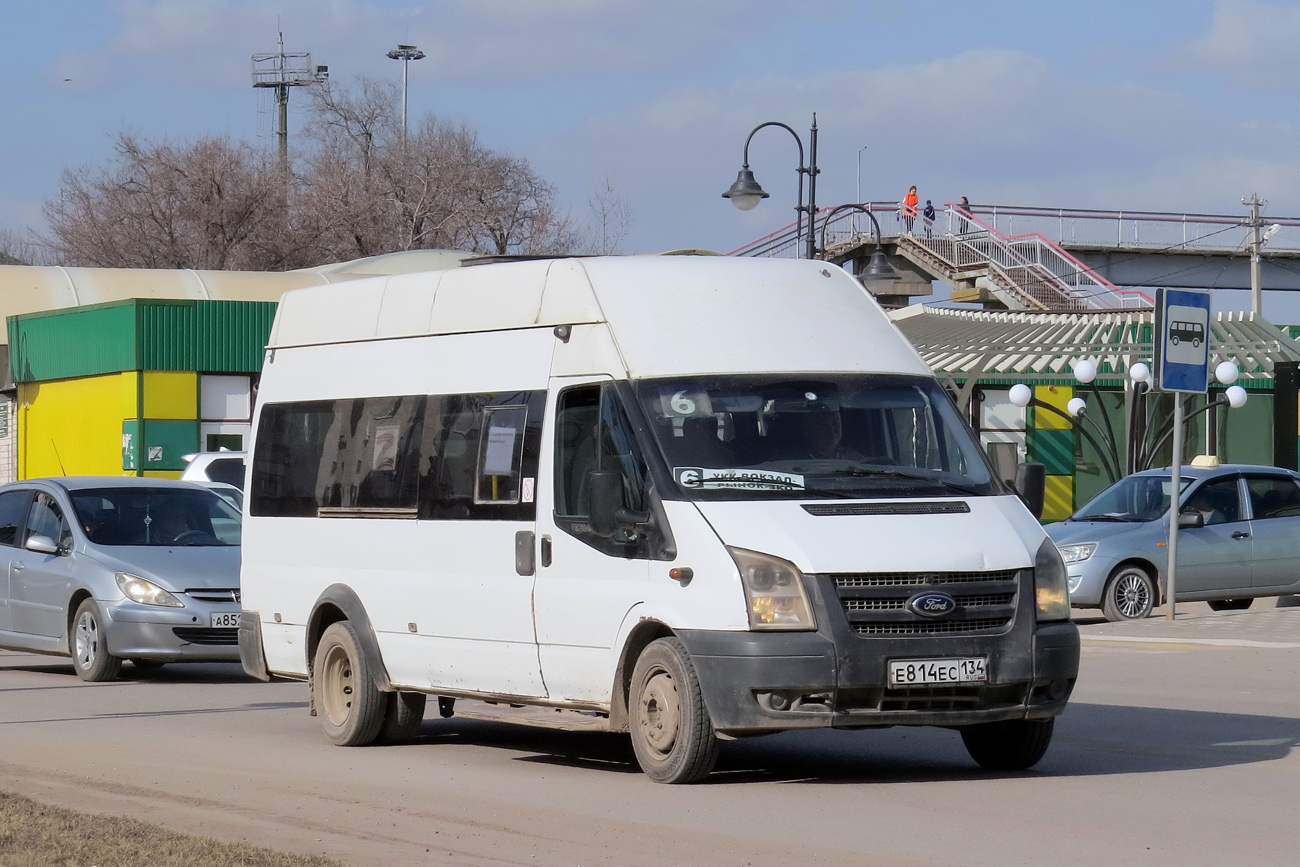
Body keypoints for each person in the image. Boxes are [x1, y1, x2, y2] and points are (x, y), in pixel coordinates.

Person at [796, 406, 863, 461]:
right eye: (823, 425)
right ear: (805, 428)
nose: (831, 430)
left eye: (835, 423)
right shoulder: (793, 460)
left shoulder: (856, 460)